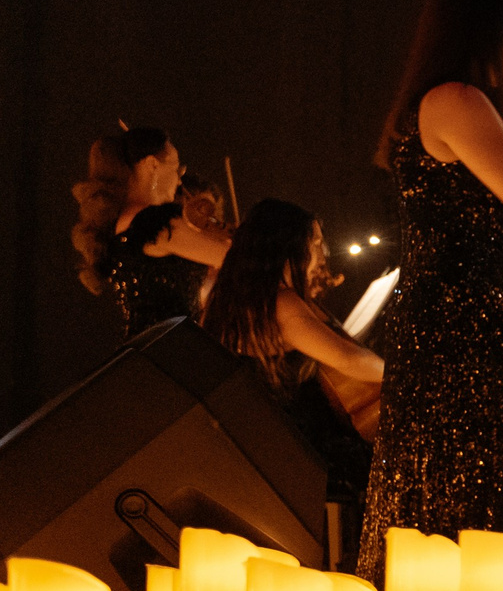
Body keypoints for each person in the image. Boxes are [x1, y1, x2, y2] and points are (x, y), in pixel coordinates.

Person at [359, 0, 503, 581]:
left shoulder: (465, 107)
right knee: (472, 490)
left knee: (479, 491)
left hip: (476, 327)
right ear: (480, 37)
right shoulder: (454, 99)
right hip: (461, 334)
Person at [199, 198, 383, 516]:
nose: (322, 253)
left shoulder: (232, 302)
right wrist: (407, 373)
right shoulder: (280, 303)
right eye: (316, 242)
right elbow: (349, 360)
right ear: (290, 246)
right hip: (310, 457)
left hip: (270, 453)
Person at [70, 126, 231, 339]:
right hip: (172, 347)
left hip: (145, 347)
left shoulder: (122, 224)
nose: (179, 180)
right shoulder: (154, 221)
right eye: (176, 168)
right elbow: (232, 257)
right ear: (152, 164)